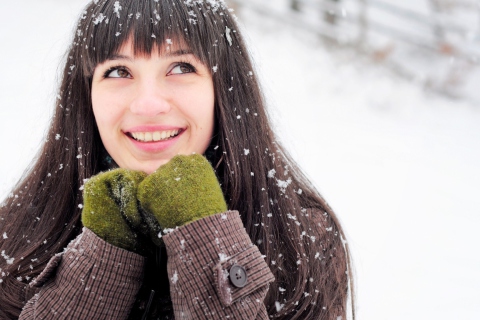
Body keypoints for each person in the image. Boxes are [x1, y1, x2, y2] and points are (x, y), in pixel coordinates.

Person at [0, 0, 354, 319]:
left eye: (181, 67)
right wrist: (100, 260)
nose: (148, 105)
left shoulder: (302, 238)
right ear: (85, 96)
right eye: (119, 72)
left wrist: (206, 238)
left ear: (225, 89)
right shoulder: (17, 236)